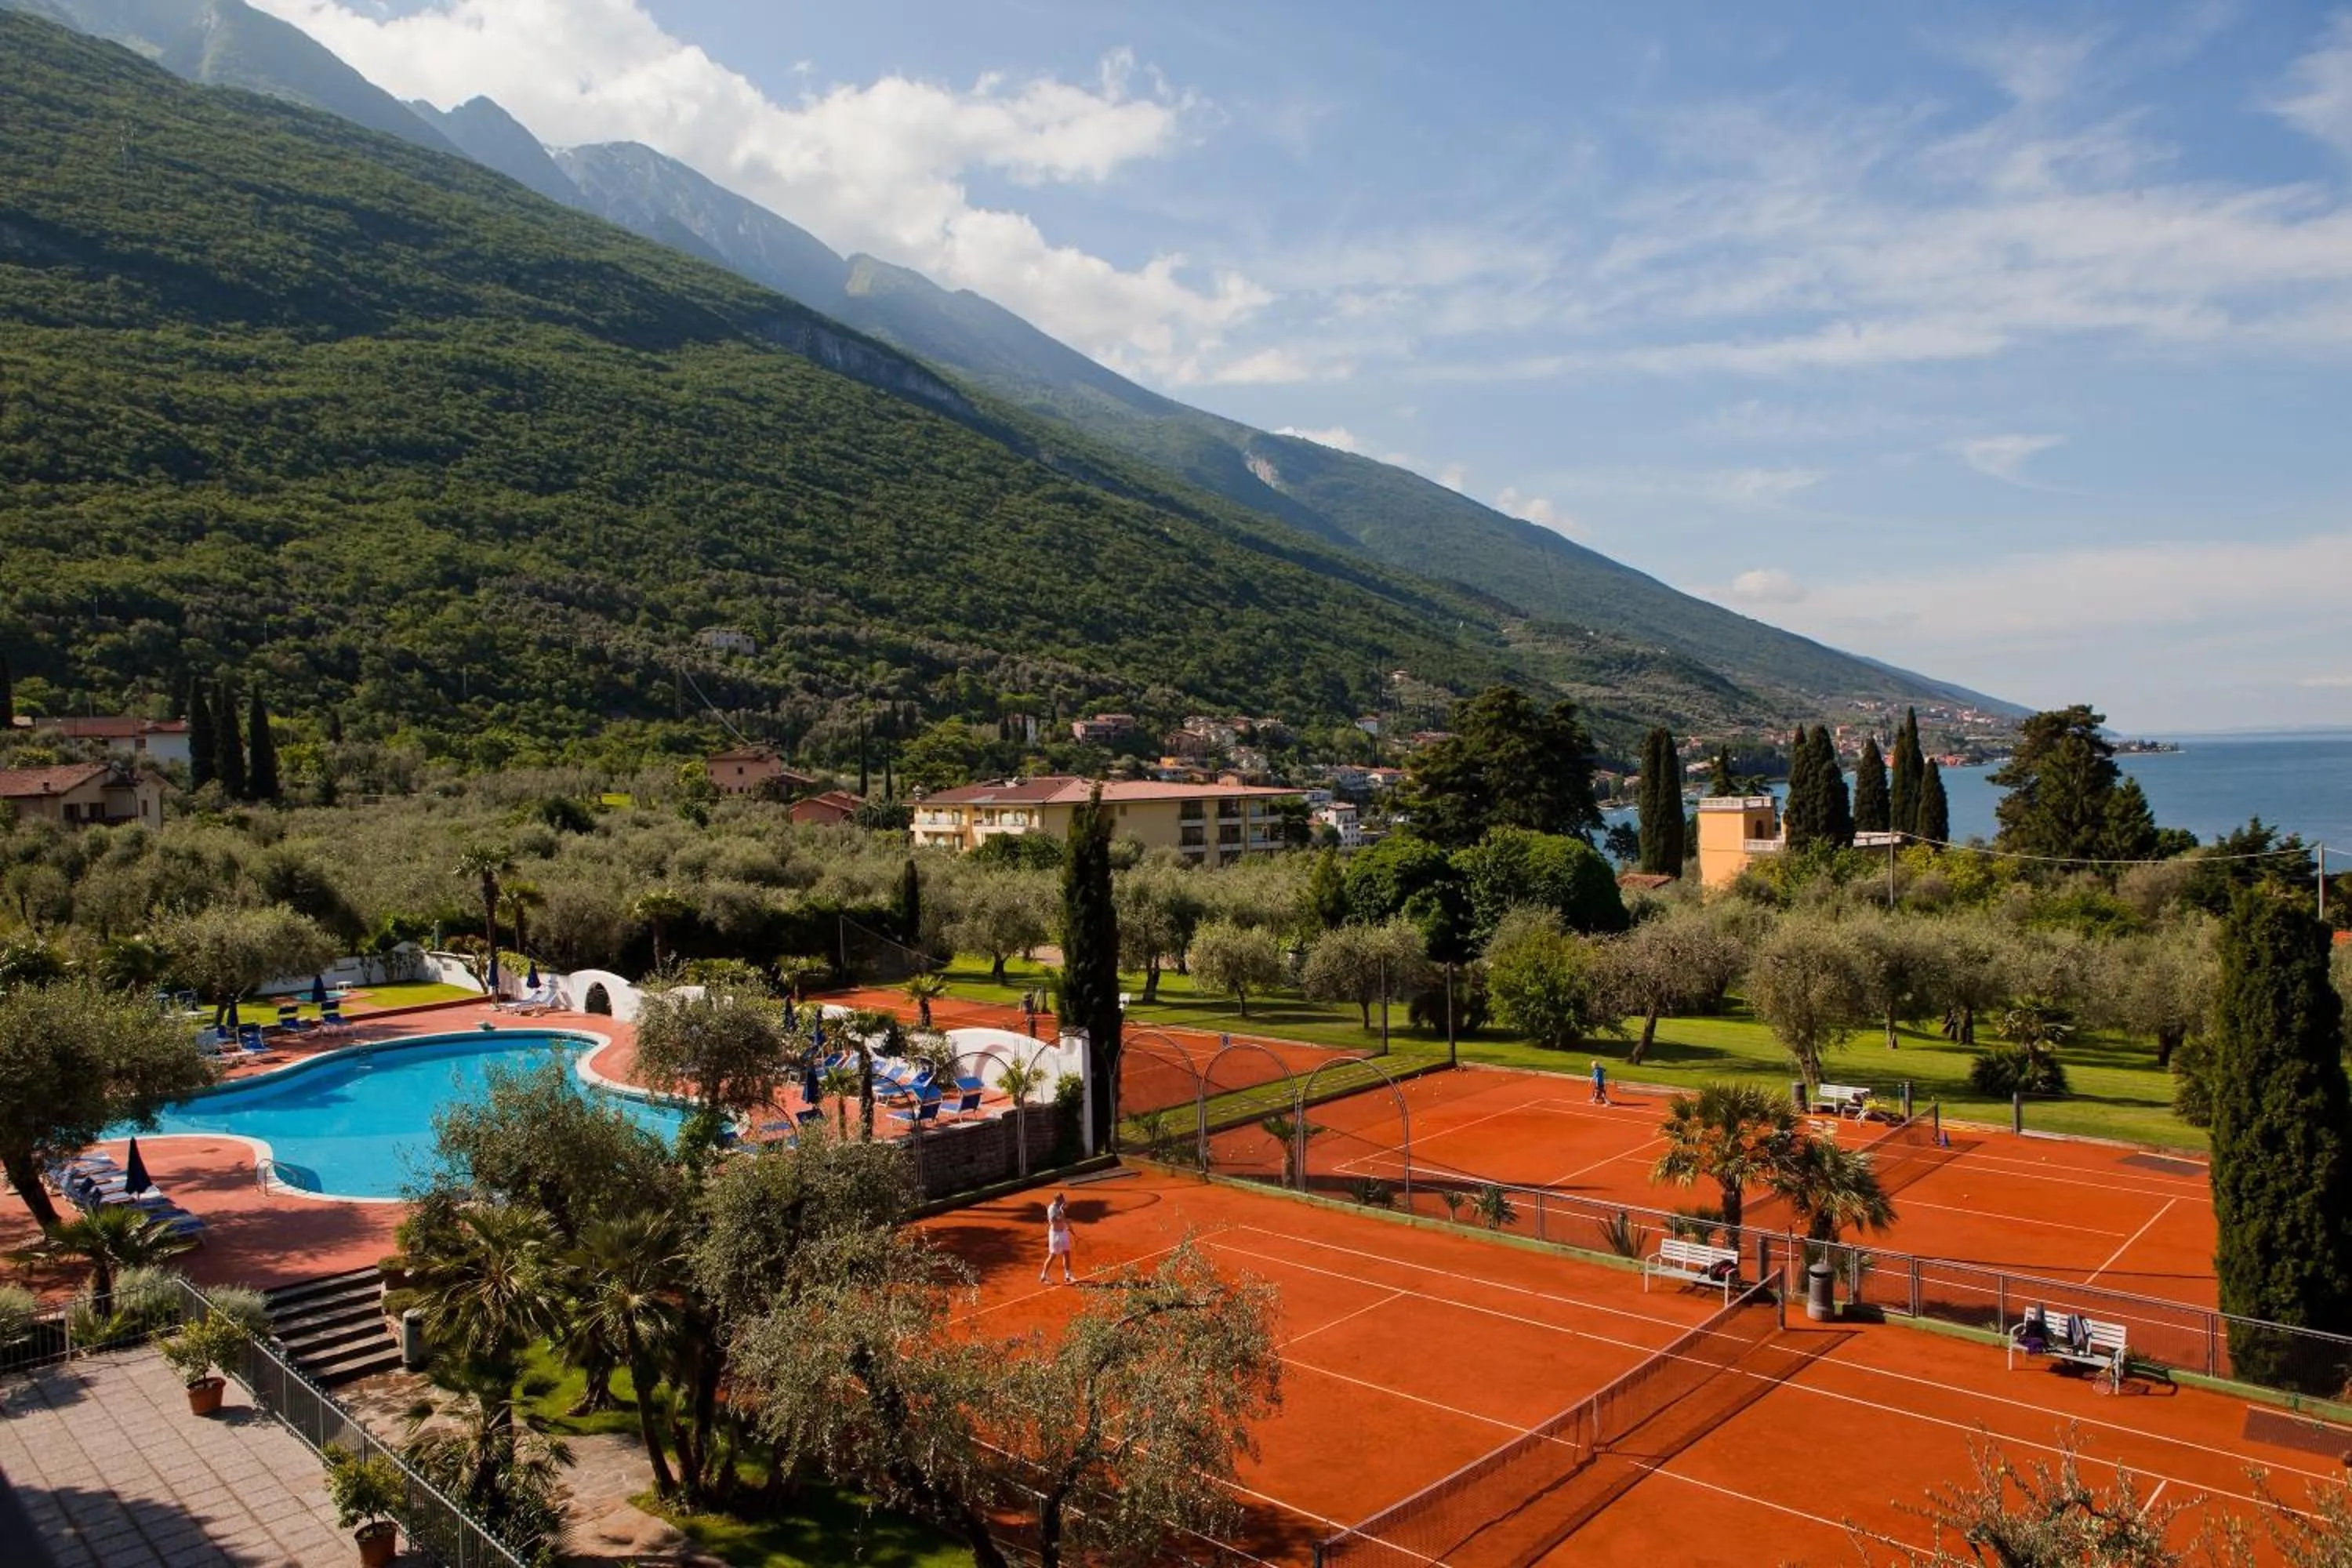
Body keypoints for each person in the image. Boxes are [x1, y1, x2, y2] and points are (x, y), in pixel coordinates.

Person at [1039, 1192, 1075, 1284]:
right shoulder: (1052, 1209)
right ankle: (1044, 1275)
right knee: (1053, 1255)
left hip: (1063, 1233)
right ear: (1058, 1200)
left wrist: (1069, 1227)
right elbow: (1054, 1221)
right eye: (1062, 1200)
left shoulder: (1060, 1207)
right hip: (1055, 1235)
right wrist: (1062, 1212)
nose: (1064, 1202)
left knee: (1066, 1253)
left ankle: (1068, 1276)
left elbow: (1063, 1219)